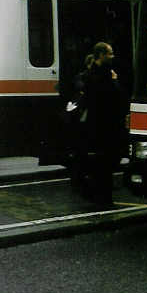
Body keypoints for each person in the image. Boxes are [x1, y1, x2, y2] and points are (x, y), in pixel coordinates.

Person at [82, 42, 129, 205]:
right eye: (110, 53)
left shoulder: (93, 74)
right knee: (107, 162)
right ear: (101, 55)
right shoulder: (104, 75)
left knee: (104, 162)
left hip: (99, 125)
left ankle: (101, 195)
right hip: (106, 125)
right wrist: (115, 81)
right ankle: (103, 197)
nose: (112, 56)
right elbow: (115, 96)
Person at [68, 54, 94, 191]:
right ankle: (78, 178)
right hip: (82, 117)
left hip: (87, 117)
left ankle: (82, 178)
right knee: (81, 150)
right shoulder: (82, 77)